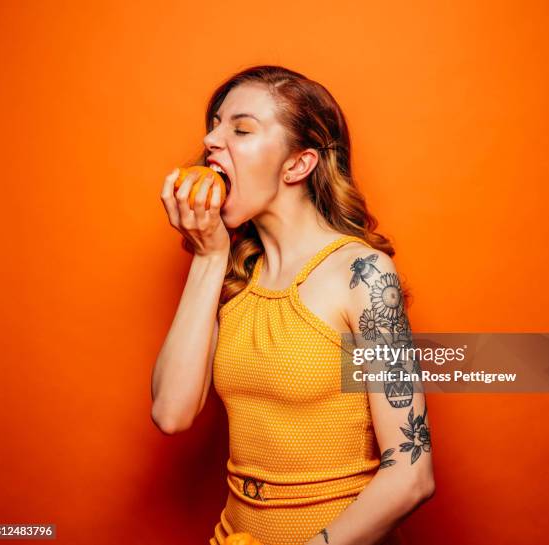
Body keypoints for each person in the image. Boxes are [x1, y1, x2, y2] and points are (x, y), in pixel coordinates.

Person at [152, 65, 435, 545]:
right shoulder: (237, 275)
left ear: (297, 165)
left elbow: (411, 476)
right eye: (215, 124)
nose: (211, 139)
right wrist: (209, 256)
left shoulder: (362, 275)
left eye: (240, 129)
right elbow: (171, 414)